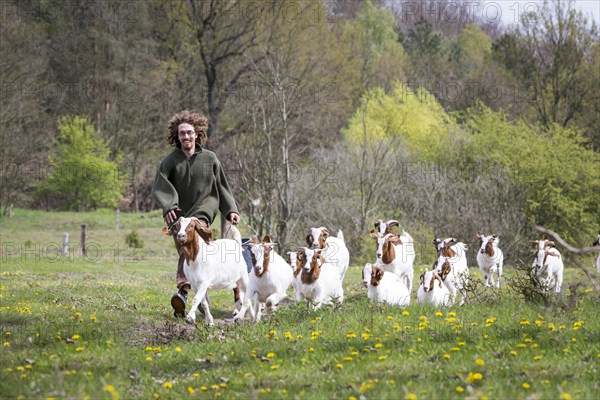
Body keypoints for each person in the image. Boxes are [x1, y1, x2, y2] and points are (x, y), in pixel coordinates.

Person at [151, 110, 240, 318]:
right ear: (177, 136)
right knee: (190, 256)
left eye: (190, 132)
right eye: (182, 133)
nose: (186, 137)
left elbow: (222, 186)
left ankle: (183, 292)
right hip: (179, 216)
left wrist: (230, 210)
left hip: (202, 213)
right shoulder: (170, 161)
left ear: (197, 133)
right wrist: (169, 206)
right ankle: (200, 296)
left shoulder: (210, 159)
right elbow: (160, 186)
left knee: (191, 248)